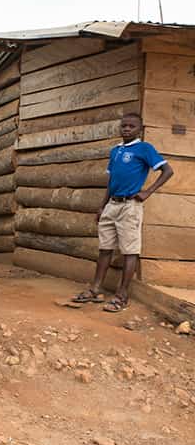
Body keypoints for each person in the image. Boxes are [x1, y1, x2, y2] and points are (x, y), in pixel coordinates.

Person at [71, 113, 173, 312]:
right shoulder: (115, 151)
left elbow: (168, 171)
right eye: (124, 126)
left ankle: (122, 295)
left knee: (129, 251)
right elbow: (111, 182)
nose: (126, 129)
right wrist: (103, 206)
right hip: (112, 205)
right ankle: (95, 289)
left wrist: (147, 191)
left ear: (140, 129)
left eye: (131, 126)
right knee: (105, 248)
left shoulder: (144, 148)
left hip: (130, 206)